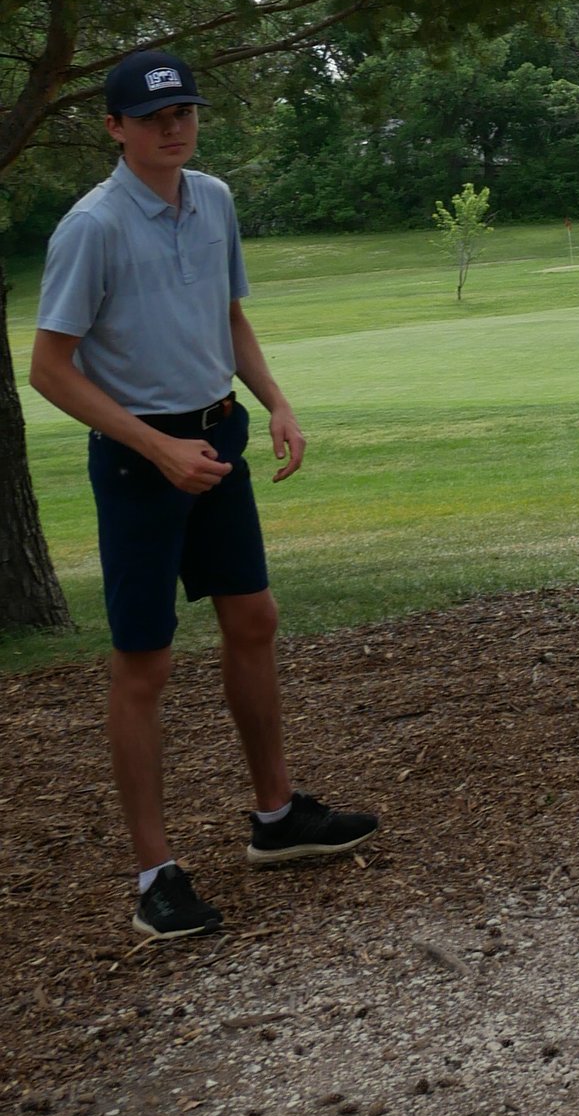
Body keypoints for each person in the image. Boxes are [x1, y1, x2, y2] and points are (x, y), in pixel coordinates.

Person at [30, 49, 377, 944]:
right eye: (152, 116)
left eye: (184, 110)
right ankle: (154, 875)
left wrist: (276, 400)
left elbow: (227, 313)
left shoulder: (212, 199)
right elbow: (49, 369)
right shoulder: (93, 226)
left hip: (216, 438)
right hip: (140, 459)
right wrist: (154, 444)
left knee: (253, 617)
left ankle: (275, 818)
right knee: (144, 662)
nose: (173, 126)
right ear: (114, 127)